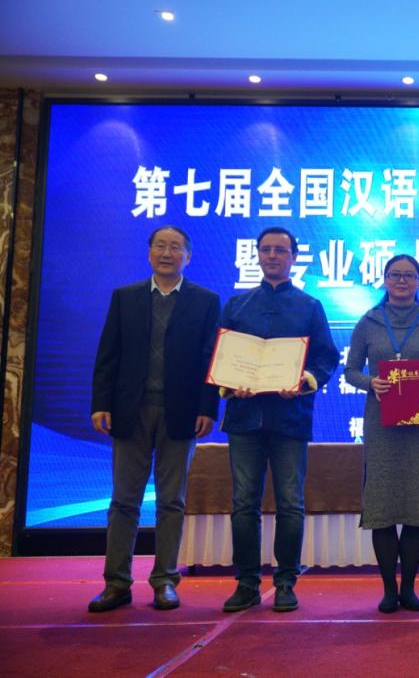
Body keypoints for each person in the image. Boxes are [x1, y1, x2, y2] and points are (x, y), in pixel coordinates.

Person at [88, 226, 220, 613]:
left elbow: (210, 358)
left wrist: (208, 408)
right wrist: (101, 403)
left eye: (175, 247)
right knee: (123, 501)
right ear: (149, 253)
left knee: (171, 501)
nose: (167, 253)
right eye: (160, 246)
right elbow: (108, 355)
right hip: (130, 410)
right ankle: (116, 583)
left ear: (188, 257)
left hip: (181, 413)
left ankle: (164, 581)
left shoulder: (205, 301)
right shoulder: (125, 297)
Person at [218, 227, 339, 614]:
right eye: (266, 249)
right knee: (243, 504)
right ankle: (246, 583)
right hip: (244, 417)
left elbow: (326, 358)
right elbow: (219, 357)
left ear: (293, 258)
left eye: (280, 251)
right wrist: (229, 384)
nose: (272, 256)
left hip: (290, 417)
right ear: (256, 254)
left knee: (290, 504)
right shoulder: (236, 305)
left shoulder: (309, 306)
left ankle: (286, 582)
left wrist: (305, 381)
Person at [344, 254, 419, 613]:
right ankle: (389, 590)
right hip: (381, 424)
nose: (402, 281)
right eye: (395, 275)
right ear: (385, 279)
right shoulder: (369, 321)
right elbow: (350, 371)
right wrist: (370, 382)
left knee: (417, 504)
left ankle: (409, 589)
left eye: (409, 275)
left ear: (418, 282)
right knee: (384, 505)